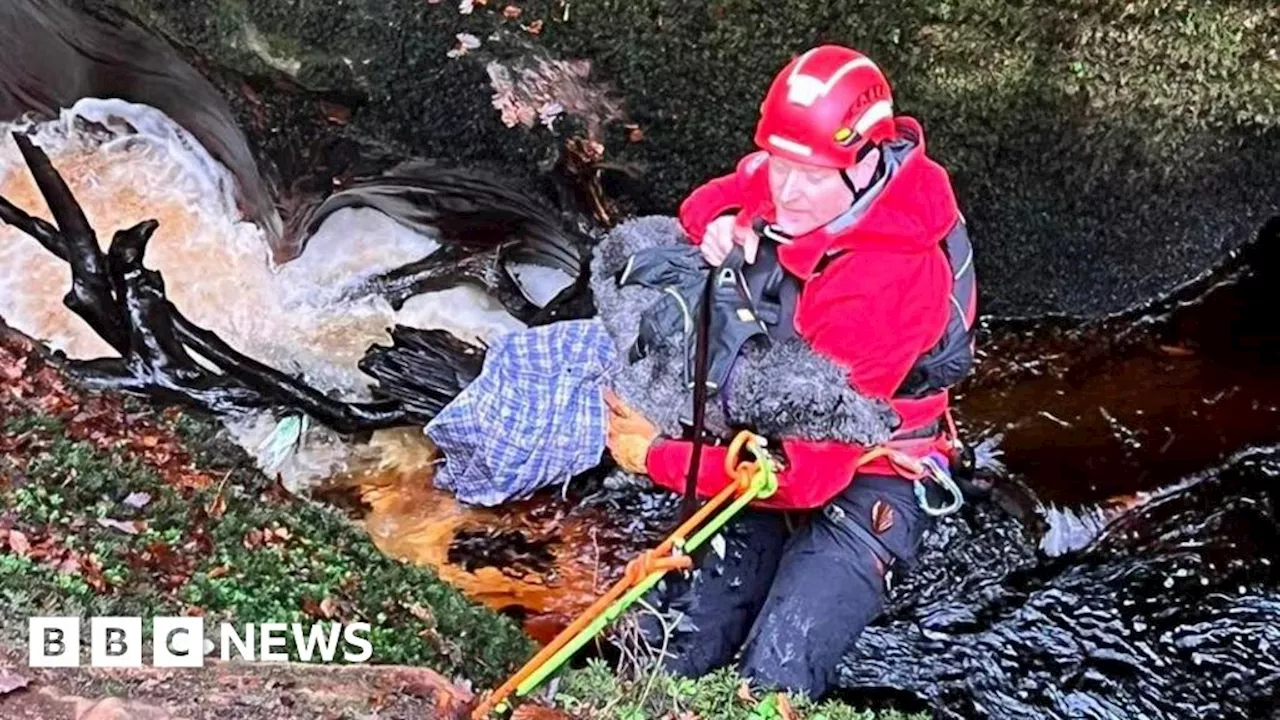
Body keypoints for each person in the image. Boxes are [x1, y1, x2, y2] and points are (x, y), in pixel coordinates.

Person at [604, 45, 978, 699]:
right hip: (778, 429)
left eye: (809, 173)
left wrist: (656, 456)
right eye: (781, 164)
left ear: (865, 161)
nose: (785, 190)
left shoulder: (887, 280)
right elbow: (707, 201)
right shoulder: (800, 180)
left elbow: (807, 478)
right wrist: (722, 223)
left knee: (772, 678)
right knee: (667, 656)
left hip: (872, 469)